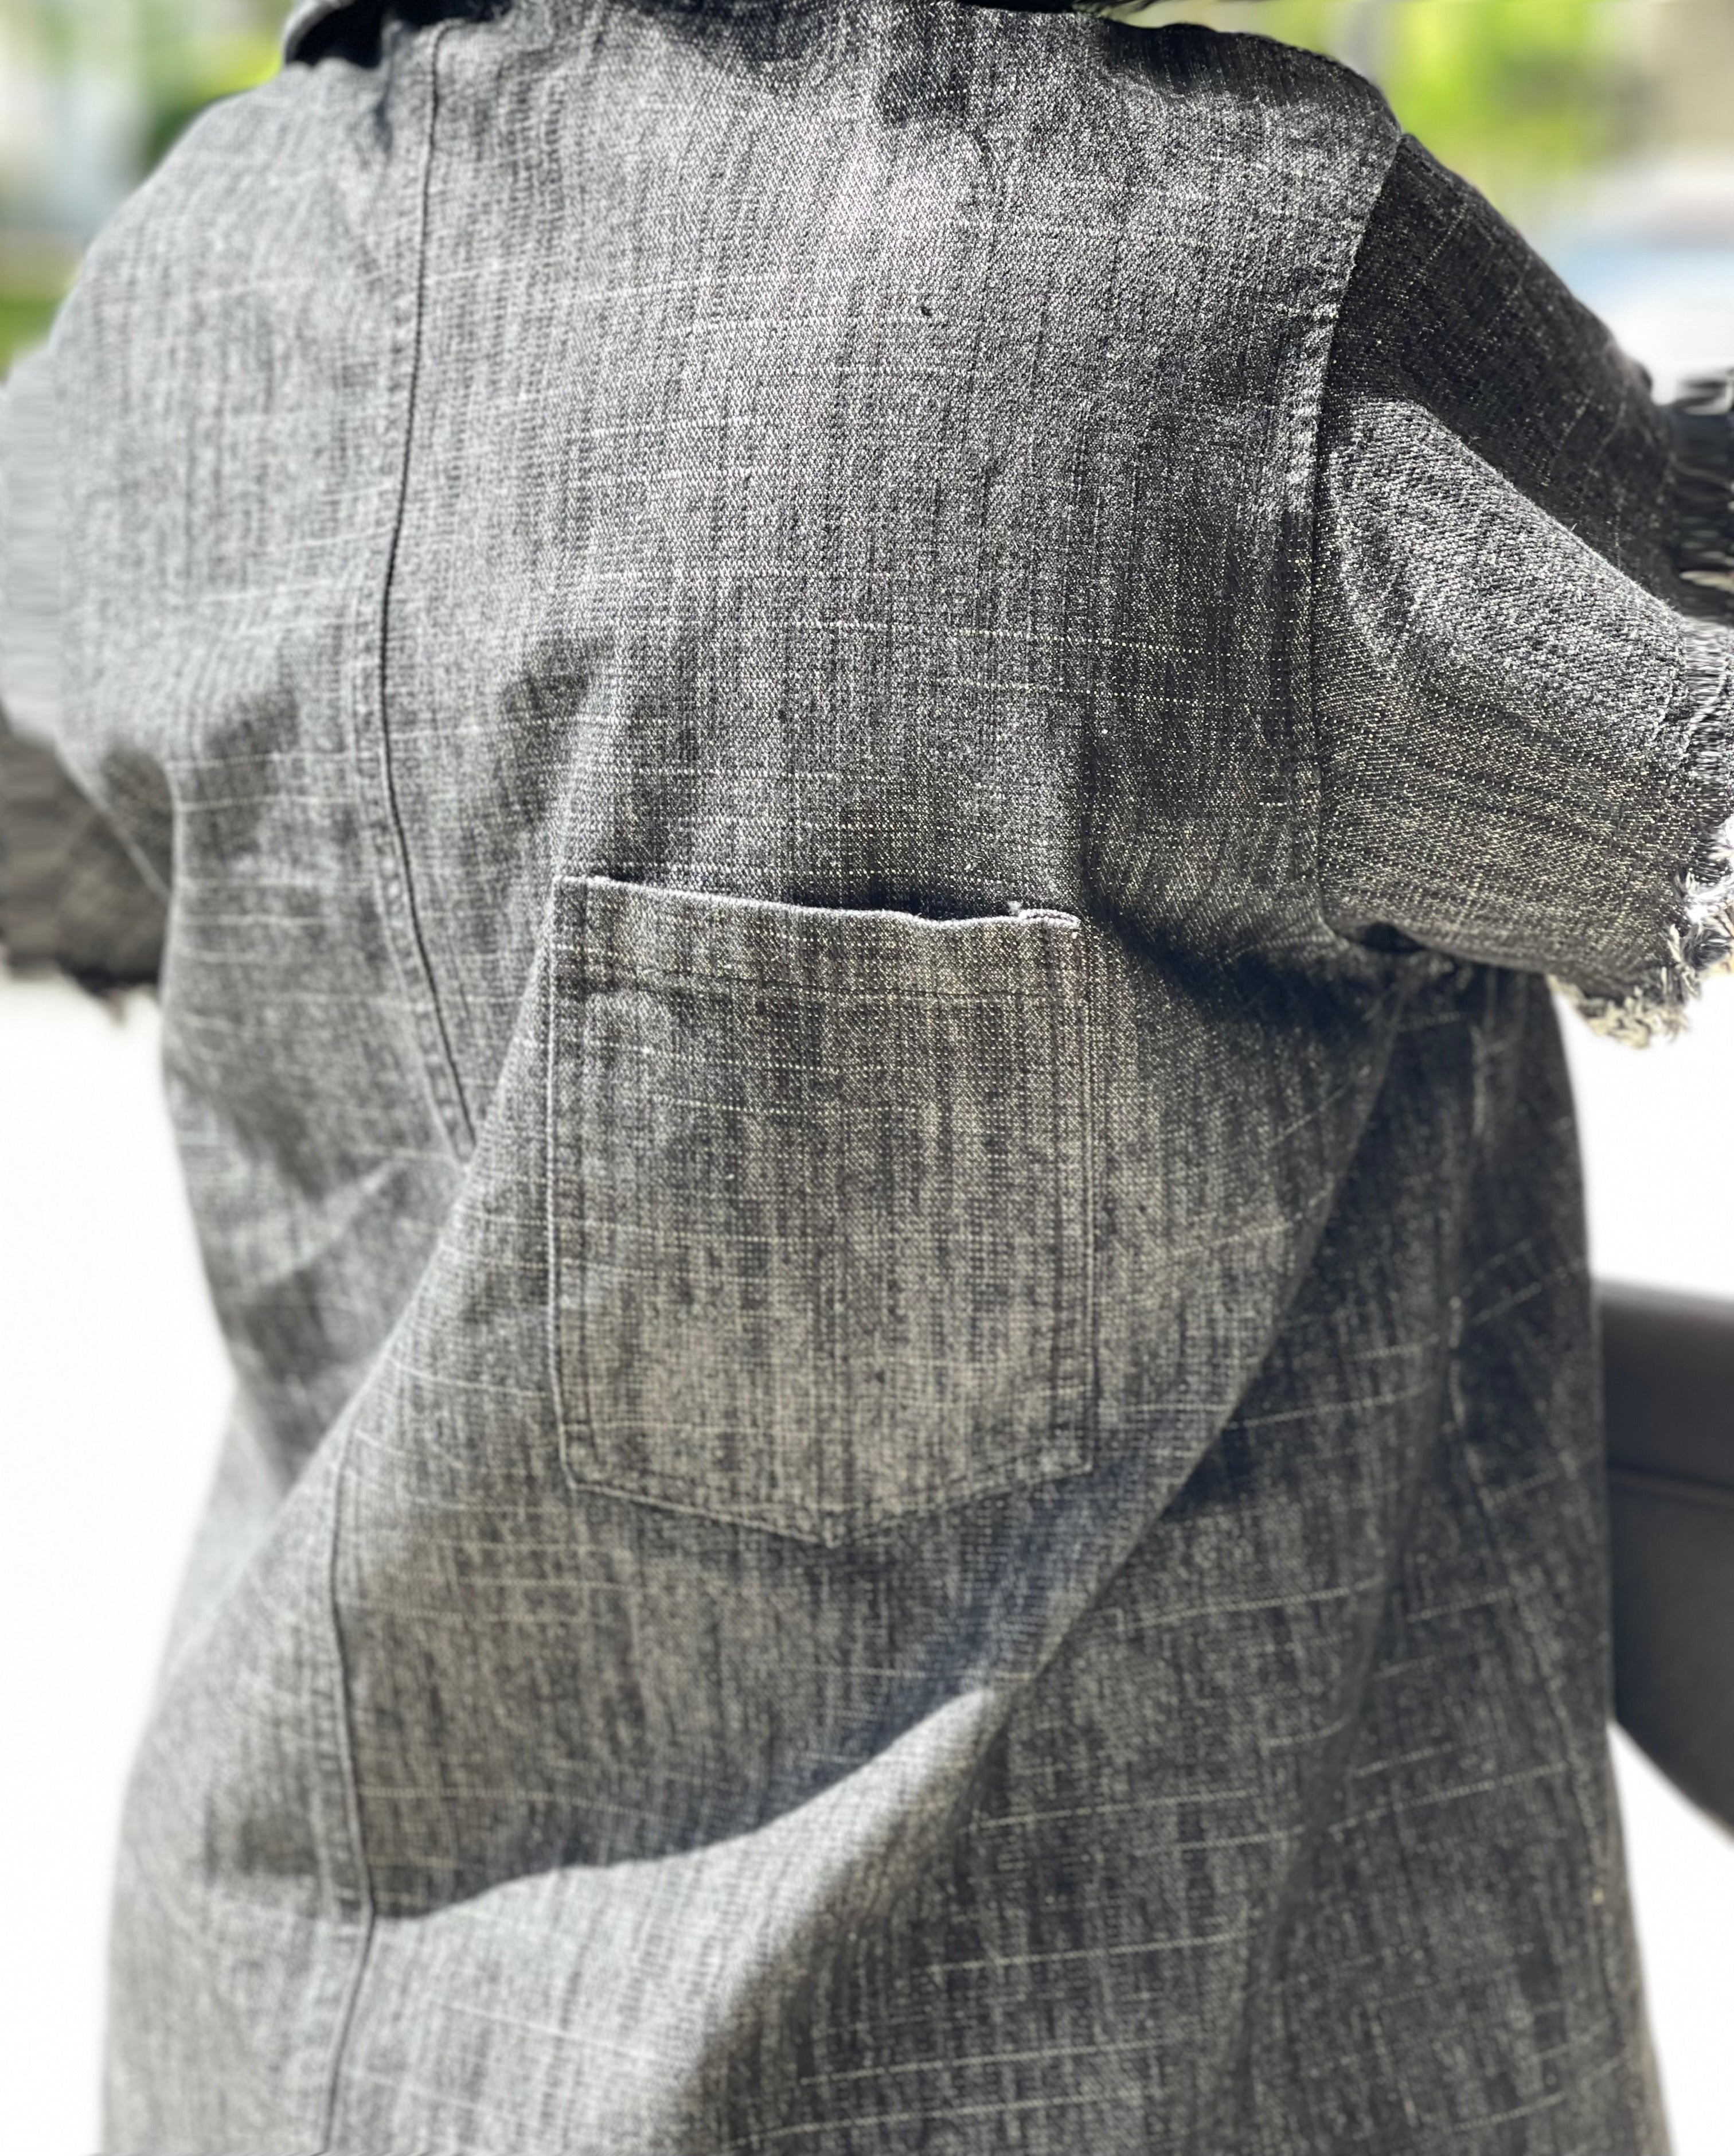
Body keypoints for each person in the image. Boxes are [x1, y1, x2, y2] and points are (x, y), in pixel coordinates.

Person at [2, 0, 1731, 2147]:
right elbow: (1669, 723)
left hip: (277, 2065)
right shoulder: (1230, 292)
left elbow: (47, 841)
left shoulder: (190, 292)